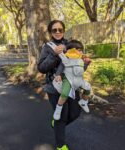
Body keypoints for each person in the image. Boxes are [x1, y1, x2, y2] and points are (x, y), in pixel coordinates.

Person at [38, 20, 81, 150]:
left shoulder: (70, 44)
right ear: (51, 32)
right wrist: (54, 54)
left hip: (72, 85)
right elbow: (41, 68)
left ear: (63, 30)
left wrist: (85, 61)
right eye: (54, 30)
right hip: (54, 87)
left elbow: (77, 61)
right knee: (61, 117)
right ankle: (60, 145)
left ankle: (56, 123)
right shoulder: (47, 47)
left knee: (75, 113)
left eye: (60, 30)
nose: (57, 32)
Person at [47, 40, 91, 121]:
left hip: (78, 79)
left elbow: (82, 70)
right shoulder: (66, 58)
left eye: (81, 50)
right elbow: (60, 67)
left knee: (88, 88)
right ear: (70, 50)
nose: (80, 52)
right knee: (65, 93)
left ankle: (84, 101)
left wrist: (86, 64)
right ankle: (58, 108)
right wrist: (58, 75)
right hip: (68, 79)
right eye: (78, 50)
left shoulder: (81, 60)